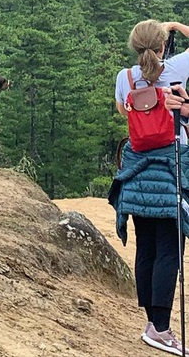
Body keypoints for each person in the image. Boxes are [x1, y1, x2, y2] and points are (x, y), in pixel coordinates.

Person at [109, 19, 189, 356]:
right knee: (171, 248)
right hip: (172, 164)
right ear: (161, 46)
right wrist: (176, 25)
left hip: (138, 168)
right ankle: (160, 329)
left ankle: (151, 322)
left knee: (147, 247)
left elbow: (122, 110)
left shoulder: (124, 78)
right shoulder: (177, 69)